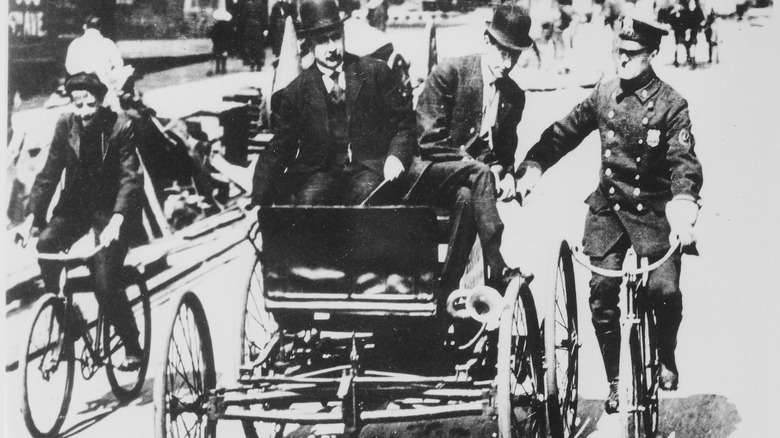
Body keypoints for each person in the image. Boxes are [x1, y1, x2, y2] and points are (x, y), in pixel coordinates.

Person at [515, 13, 703, 413]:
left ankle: (666, 354)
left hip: (655, 211)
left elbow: (683, 163)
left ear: (652, 54)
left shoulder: (672, 105)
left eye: (633, 54)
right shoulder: (605, 92)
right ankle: (616, 381)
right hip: (609, 208)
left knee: (663, 292)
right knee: (601, 295)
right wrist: (535, 164)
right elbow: (566, 130)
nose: (624, 60)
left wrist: (684, 209)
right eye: (620, 51)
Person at [21, 72, 145, 371]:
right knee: (46, 244)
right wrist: (31, 217)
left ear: (101, 102)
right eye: (78, 105)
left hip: (112, 211)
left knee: (104, 281)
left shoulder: (121, 126)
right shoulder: (66, 125)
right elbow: (49, 174)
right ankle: (69, 323)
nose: (84, 112)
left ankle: (132, 344)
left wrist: (117, 219)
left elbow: (131, 179)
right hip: (75, 208)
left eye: (89, 104)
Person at [405, 4, 533, 290]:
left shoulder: (514, 96)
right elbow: (429, 139)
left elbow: (503, 154)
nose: (508, 62)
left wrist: (507, 172)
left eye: (515, 55)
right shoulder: (451, 72)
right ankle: (498, 266)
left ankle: (447, 292)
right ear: (486, 41)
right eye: (503, 52)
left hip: (469, 185)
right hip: (429, 173)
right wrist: (480, 168)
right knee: (478, 175)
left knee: (466, 196)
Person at [251, 0, 416, 207]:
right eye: (322, 41)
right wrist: (258, 201)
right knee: (309, 203)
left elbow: (404, 125)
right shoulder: (296, 91)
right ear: (309, 44)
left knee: (367, 201)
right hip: (320, 172)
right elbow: (280, 146)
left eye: (336, 37)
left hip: (368, 168)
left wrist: (396, 157)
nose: (331, 49)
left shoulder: (376, 73)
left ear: (343, 34)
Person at [65, 15, 128, 110]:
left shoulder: (75, 43)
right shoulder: (107, 43)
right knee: (114, 104)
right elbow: (119, 64)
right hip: (100, 83)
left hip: (76, 83)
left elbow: (69, 67)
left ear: (85, 26)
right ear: (100, 28)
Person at [211, 8, 233, 75]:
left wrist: (214, 41)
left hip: (217, 43)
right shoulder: (227, 26)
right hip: (224, 43)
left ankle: (217, 69)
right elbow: (229, 35)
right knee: (224, 56)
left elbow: (212, 35)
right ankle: (223, 69)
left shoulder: (215, 26)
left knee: (217, 56)